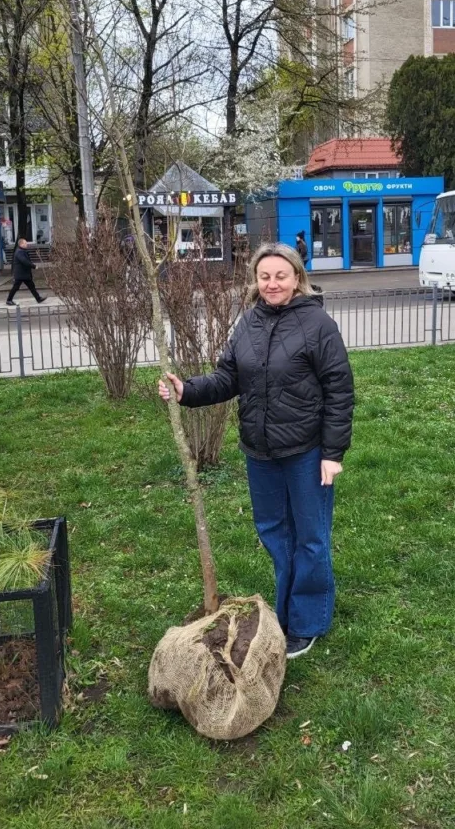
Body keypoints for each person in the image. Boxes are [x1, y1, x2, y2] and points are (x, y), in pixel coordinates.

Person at [158, 242, 354, 660]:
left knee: (311, 538)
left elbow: (340, 391)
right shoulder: (248, 323)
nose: (272, 284)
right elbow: (229, 378)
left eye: (280, 276)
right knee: (274, 534)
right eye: (264, 276)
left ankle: (307, 622)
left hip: (305, 451)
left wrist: (332, 453)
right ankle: (285, 612)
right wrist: (187, 390)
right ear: (256, 280)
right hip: (260, 452)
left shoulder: (319, 325)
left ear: (297, 278)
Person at [6, 238, 46, 305]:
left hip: (25, 274)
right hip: (20, 274)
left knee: (32, 287)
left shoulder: (22, 251)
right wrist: (33, 266)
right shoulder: (19, 252)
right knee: (15, 287)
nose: (26, 244)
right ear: (21, 244)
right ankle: (9, 300)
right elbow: (24, 261)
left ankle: (38, 298)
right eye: (25, 243)